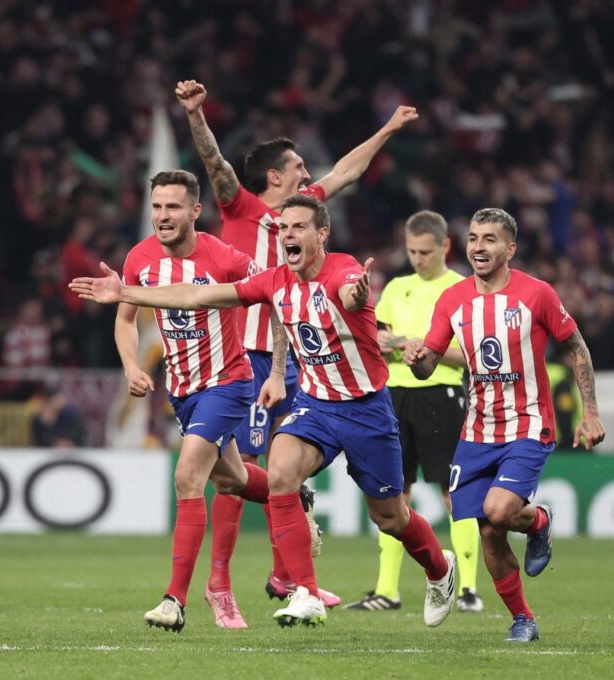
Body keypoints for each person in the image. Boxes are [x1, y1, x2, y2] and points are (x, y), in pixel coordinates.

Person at [72, 193, 457, 629]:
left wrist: (358, 294)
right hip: (315, 406)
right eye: (283, 228)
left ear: (321, 234)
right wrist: (125, 291)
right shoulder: (275, 281)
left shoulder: (344, 270)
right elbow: (199, 297)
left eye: (298, 227)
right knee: (279, 474)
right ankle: (306, 592)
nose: (288, 234)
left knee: (391, 517)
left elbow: (349, 294)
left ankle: (439, 570)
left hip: (366, 409)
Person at [175, 79, 418, 621]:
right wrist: (196, 116)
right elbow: (215, 164)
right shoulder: (239, 207)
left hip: (300, 358)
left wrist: (388, 129)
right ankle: (220, 587)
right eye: (299, 168)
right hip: (250, 355)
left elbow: (349, 171)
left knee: (286, 472)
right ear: (273, 177)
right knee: (245, 472)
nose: (309, 175)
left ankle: (289, 578)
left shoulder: (304, 215)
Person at [404, 208, 605, 642]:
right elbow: (431, 364)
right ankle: (523, 619)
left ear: (509, 249)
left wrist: (590, 411)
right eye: (474, 237)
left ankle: (537, 522)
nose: (479, 246)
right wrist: (419, 360)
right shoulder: (453, 300)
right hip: (476, 430)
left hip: (529, 423)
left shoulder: (537, 294)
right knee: (489, 532)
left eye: (490, 239)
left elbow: (576, 346)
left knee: (499, 510)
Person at [96, 169, 279, 633]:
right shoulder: (140, 257)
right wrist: (132, 366)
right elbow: (125, 319)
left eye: (173, 207)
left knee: (187, 476)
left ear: (195, 211)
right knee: (235, 479)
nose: (162, 216)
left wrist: (276, 369)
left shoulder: (225, 257)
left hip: (228, 382)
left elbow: (275, 297)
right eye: (157, 206)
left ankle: (174, 601)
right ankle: (292, 494)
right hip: (183, 391)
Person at [345, 210, 483, 613]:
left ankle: (468, 589)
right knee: (393, 493)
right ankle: (387, 590)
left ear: (444, 246)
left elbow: (472, 356)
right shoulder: (396, 288)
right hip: (393, 397)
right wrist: (399, 342)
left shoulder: (463, 288)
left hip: (442, 395)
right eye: (412, 251)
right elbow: (377, 337)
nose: (418, 258)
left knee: (453, 492)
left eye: (425, 251)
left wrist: (425, 348)